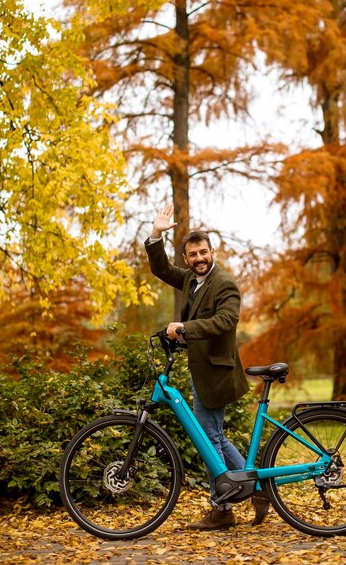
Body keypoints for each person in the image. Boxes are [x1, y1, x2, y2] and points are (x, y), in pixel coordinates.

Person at [144, 204, 269, 530]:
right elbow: (161, 270)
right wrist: (156, 234)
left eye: (203, 252)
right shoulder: (191, 279)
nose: (198, 258)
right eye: (192, 255)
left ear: (212, 251)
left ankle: (222, 509)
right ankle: (256, 486)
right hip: (205, 370)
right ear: (186, 258)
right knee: (214, 435)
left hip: (218, 371)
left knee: (208, 438)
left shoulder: (224, 283)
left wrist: (185, 328)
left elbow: (226, 320)